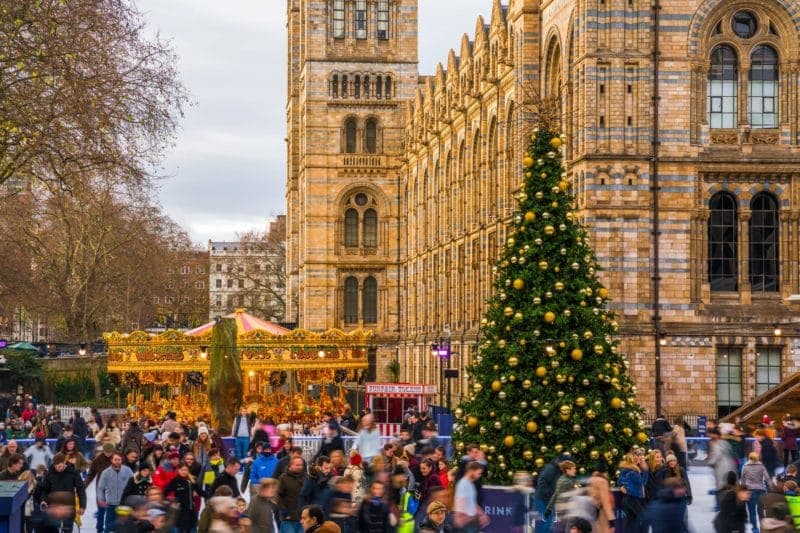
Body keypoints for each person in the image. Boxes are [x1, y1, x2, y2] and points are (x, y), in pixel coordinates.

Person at [35, 453, 86, 531]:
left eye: (60, 466)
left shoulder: (73, 473)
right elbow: (44, 489)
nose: (57, 468)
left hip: (68, 507)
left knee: (67, 529)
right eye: (56, 466)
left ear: (64, 462)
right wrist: (43, 500)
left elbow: (80, 489)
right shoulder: (49, 473)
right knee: (52, 529)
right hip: (53, 508)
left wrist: (82, 506)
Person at [97, 452, 134, 533]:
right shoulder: (106, 472)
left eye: (119, 460)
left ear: (122, 460)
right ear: (111, 460)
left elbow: (133, 485)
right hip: (110, 504)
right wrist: (101, 499)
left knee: (122, 526)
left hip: (123, 504)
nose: (117, 461)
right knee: (108, 526)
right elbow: (100, 488)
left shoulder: (128, 471)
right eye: (115, 459)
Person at [741, 451, 775, 533]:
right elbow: (767, 478)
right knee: (761, 512)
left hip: (750, 491)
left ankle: (755, 529)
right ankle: (763, 528)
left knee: (752, 512)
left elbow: (743, 481)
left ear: (749, 458)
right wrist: (772, 488)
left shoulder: (745, 467)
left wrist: (743, 491)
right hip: (761, 491)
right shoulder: (761, 466)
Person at [453, 461, 489, 533]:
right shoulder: (463, 484)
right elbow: (460, 500)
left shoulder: (470, 484)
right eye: (478, 473)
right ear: (471, 471)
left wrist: (482, 514)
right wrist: (459, 517)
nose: (479, 475)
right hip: (465, 523)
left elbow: (472, 502)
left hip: (471, 521)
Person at [617, 450, 648, 533]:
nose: (639, 459)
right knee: (643, 518)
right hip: (633, 499)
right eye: (637, 457)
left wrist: (622, 486)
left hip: (628, 499)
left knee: (631, 522)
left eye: (640, 456)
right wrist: (645, 470)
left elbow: (619, 481)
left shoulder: (625, 470)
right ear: (632, 459)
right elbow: (643, 482)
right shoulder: (633, 472)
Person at [164, 462, 200, 533]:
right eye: (182, 470)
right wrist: (170, 501)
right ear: (178, 470)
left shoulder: (191, 480)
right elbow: (165, 493)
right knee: (182, 530)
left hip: (191, 511)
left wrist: (210, 496)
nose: (184, 472)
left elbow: (200, 491)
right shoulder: (175, 481)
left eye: (186, 470)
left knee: (191, 529)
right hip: (181, 512)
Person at [533, 454, 564, 533]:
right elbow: (541, 482)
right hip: (542, 499)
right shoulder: (550, 468)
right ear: (560, 462)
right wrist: (548, 496)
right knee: (545, 522)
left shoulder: (558, 470)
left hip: (547, 500)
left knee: (548, 522)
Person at [278, 456, 307, 533]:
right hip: (289, 517)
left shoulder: (306, 477)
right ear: (290, 465)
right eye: (297, 465)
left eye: (301, 465)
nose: (300, 467)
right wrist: (284, 510)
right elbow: (278, 496)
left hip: (304, 517)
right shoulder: (283, 478)